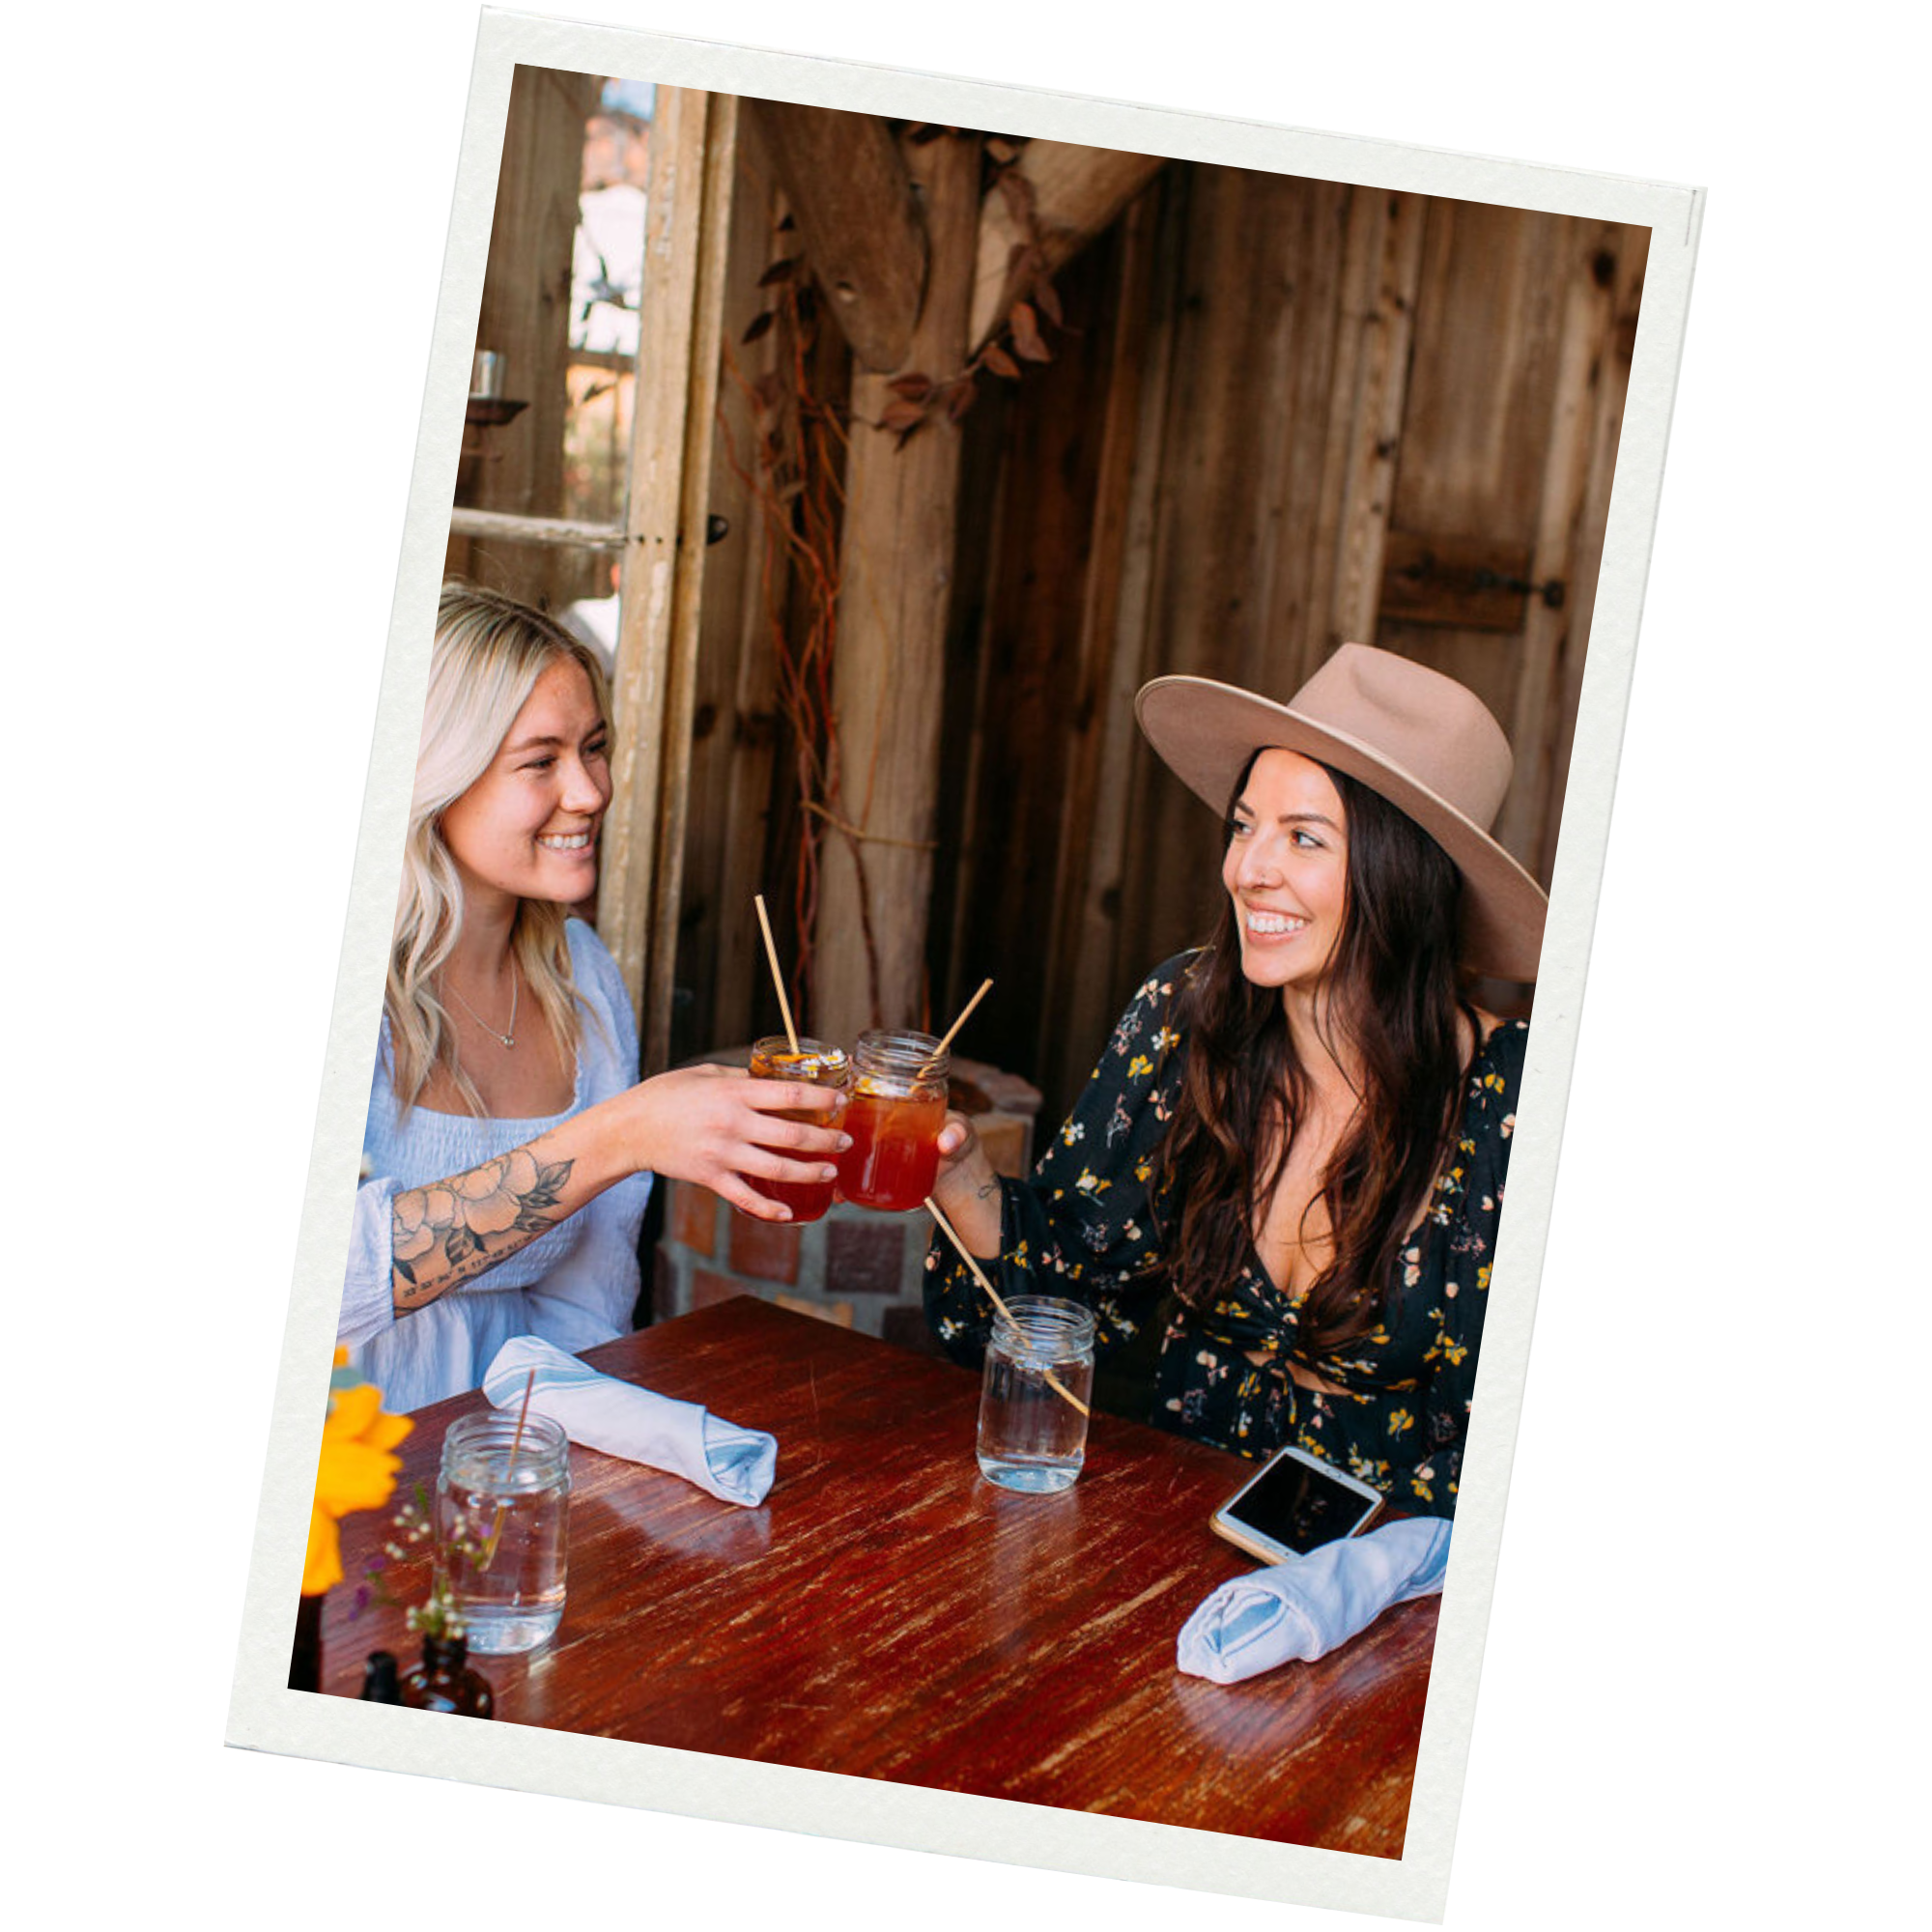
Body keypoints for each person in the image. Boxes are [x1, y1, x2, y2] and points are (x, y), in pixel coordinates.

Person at [924, 644, 1548, 1520]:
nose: (1247, 868)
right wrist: (958, 1175)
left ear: (1401, 872)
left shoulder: (1519, 1105)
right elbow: (1066, 1298)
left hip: (1389, 1591)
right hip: (1178, 1527)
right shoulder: (1187, 1012)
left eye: (1303, 837)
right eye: (1244, 824)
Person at [338, 582, 848, 1413]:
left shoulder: (582, 978)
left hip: (518, 1458)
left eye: (595, 748)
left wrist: (564, 1459)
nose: (590, 792)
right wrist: (621, 1135)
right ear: (436, 778)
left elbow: (588, 1305)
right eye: (541, 762)